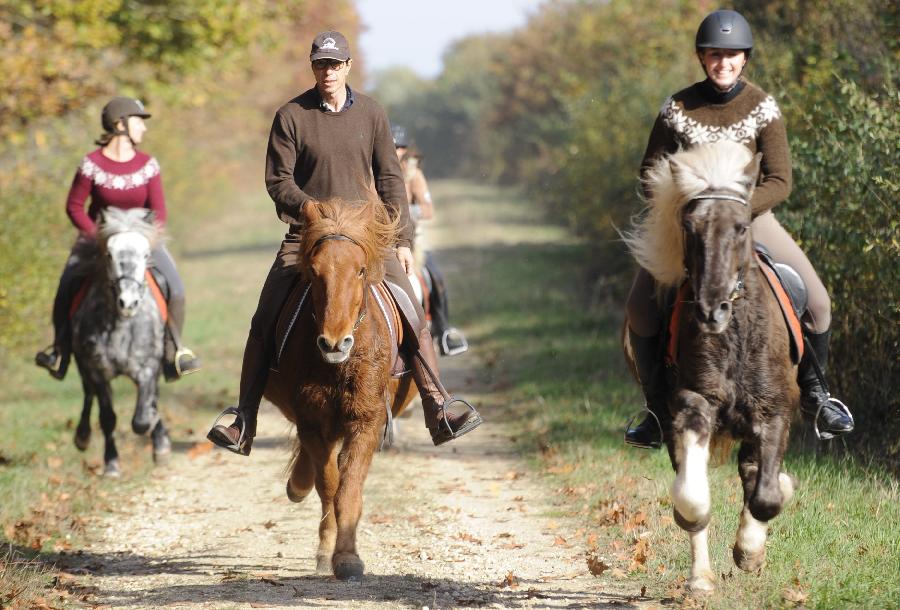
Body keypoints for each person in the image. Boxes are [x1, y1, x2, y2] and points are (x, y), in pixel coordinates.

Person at [206, 31, 482, 455]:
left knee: (410, 310)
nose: (328, 71)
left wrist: (403, 240)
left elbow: (390, 178)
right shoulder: (291, 115)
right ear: (312, 66)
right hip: (308, 234)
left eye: (335, 64)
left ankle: (436, 405)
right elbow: (277, 181)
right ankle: (244, 418)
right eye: (321, 64)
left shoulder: (372, 113)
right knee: (264, 317)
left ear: (348, 66)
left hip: (366, 237)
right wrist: (310, 210)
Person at [623, 10, 854, 449]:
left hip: (751, 219)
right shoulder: (676, 107)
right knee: (639, 307)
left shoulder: (762, 106)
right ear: (701, 57)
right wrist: (683, 211)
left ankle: (818, 398)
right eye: (714, 55)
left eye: (731, 55)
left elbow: (780, 180)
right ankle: (655, 411)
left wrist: (739, 211)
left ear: (744, 58)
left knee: (819, 302)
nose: (723, 63)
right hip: (690, 226)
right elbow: (648, 172)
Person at [35, 97, 201, 382]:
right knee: (66, 287)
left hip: (144, 242)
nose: (143, 129)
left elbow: (158, 211)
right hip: (97, 242)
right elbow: (74, 206)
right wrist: (99, 238)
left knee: (176, 288)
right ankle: (59, 351)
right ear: (119, 124)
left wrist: (144, 240)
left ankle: (173, 352)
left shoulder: (148, 164)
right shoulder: (91, 164)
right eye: (139, 121)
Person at [392, 124, 469, 356]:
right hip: (382, 237)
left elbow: (428, 209)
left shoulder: (413, 174)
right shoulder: (374, 170)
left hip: (412, 237)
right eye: (393, 147)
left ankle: (443, 331)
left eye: (400, 147)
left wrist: (405, 211)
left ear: (406, 150)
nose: (396, 151)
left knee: (435, 276)